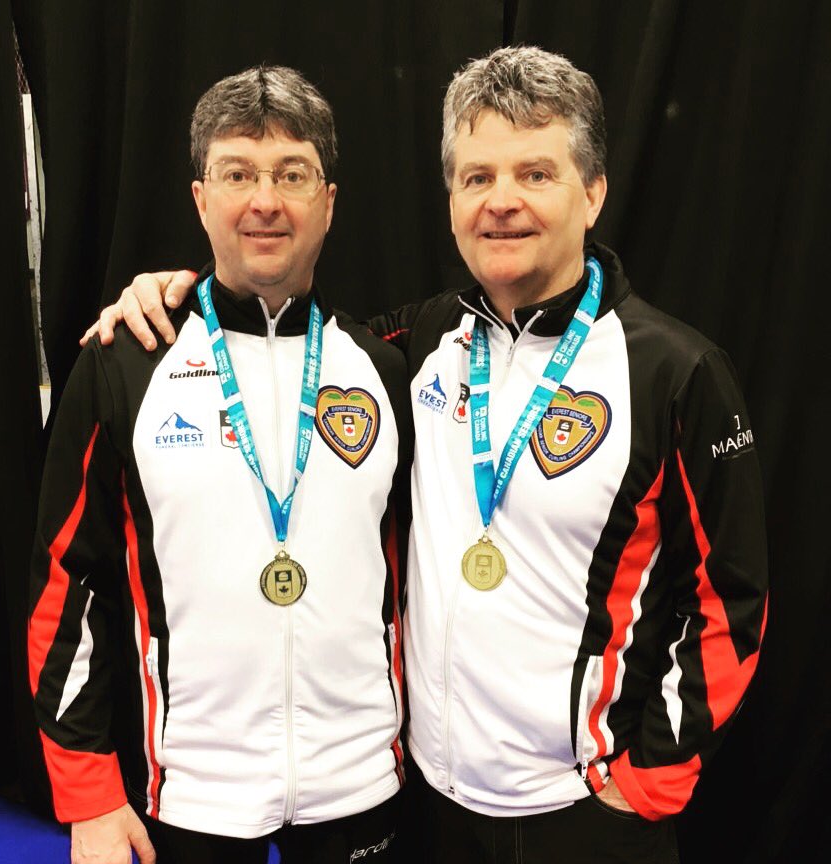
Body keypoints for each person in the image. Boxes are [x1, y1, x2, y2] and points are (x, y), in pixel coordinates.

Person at [88, 47, 767, 863]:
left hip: (586, 810)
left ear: (593, 193)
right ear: (450, 201)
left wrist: (653, 776)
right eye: (477, 177)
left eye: (535, 173)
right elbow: (282, 336)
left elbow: (733, 596)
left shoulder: (675, 370)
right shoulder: (420, 344)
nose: (502, 202)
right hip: (430, 802)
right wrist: (176, 291)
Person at [30, 66, 411, 864]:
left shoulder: (386, 369)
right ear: (201, 198)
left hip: (365, 785)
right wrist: (89, 793)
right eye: (238, 173)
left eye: (292, 174)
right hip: (190, 793)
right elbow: (69, 581)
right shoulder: (125, 362)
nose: (264, 200)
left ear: (329, 202)